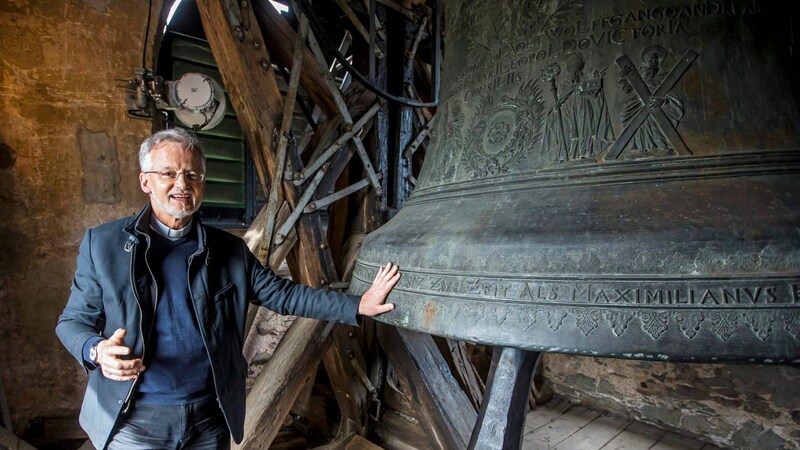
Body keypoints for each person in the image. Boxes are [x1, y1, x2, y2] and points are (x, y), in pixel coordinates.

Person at [55, 128, 400, 450]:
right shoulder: (103, 245)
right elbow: (71, 322)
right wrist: (96, 351)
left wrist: (356, 305)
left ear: (203, 185)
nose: (182, 184)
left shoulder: (229, 251)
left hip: (208, 418)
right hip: (137, 420)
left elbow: (284, 294)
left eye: (192, 175)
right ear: (145, 181)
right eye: (168, 174)